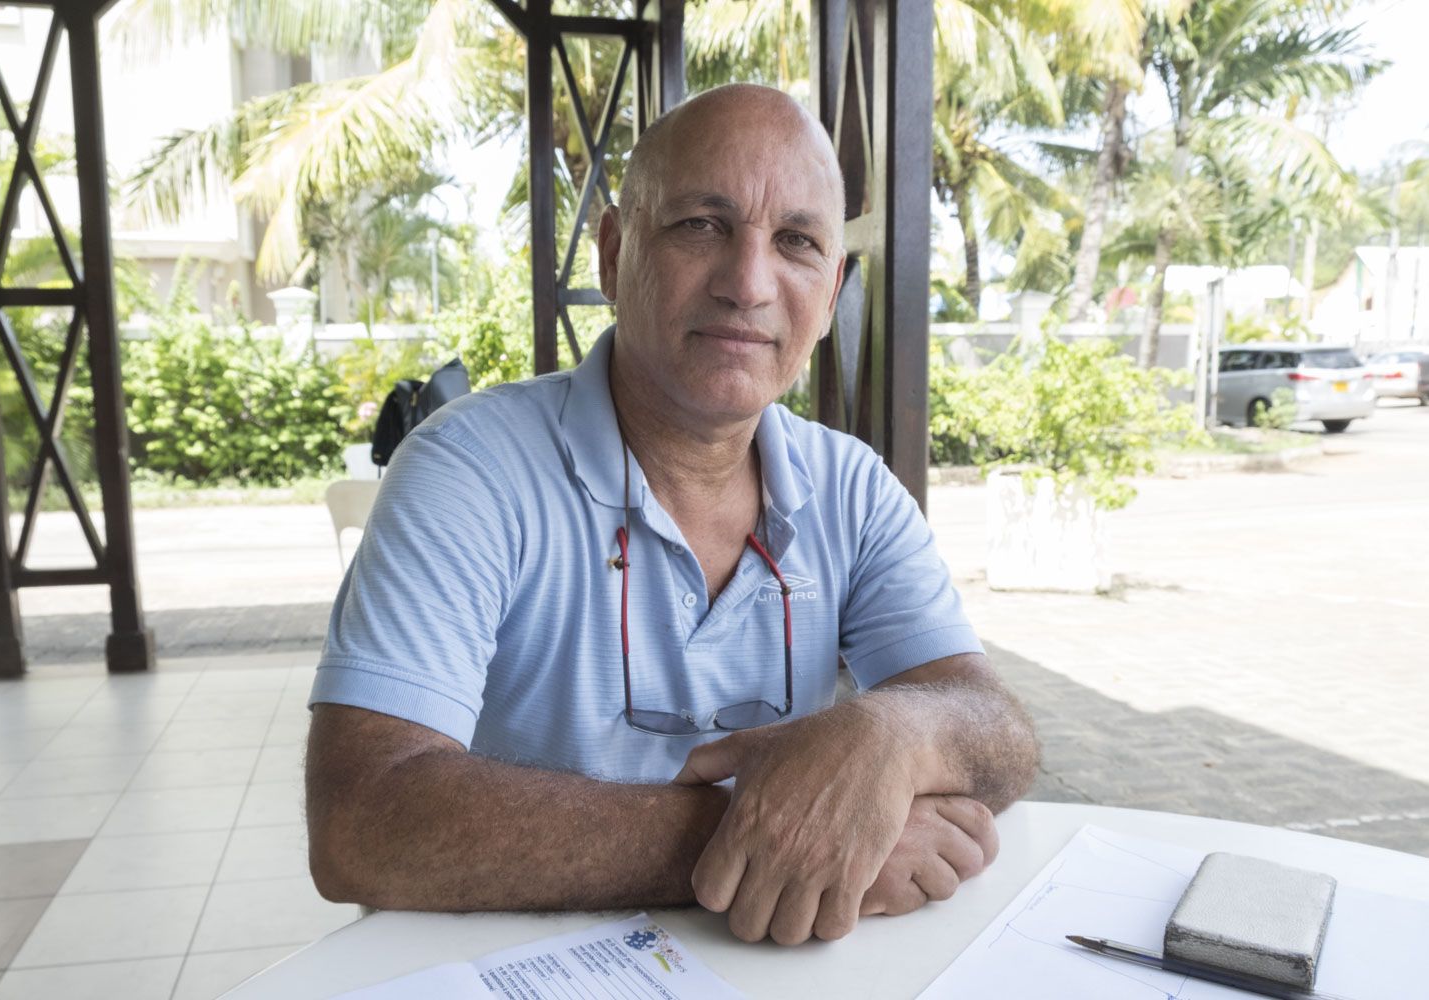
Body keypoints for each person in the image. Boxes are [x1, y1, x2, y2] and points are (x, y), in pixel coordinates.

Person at [305, 83, 1039, 947]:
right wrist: (774, 835)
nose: (749, 283)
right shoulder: (469, 471)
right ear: (615, 254)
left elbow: (997, 734)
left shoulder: (852, 487)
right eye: (701, 224)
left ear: (832, 285)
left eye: (797, 242)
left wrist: (891, 730)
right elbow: (363, 820)